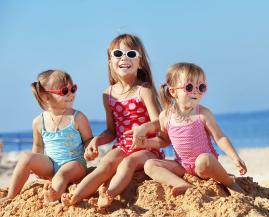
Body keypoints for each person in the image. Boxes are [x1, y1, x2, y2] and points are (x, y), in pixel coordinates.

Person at [61, 33, 163, 208]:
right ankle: (75, 196)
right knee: (106, 164)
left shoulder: (143, 90)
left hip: (147, 147)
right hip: (123, 146)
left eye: (131, 54)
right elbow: (112, 131)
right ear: (110, 62)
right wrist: (97, 140)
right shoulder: (108, 94)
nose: (124, 58)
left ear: (140, 62)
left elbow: (159, 122)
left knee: (128, 163)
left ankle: (109, 194)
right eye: (118, 54)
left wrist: (144, 128)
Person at [127, 62, 247, 196]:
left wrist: (234, 157)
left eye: (201, 87)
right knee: (150, 165)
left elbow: (219, 137)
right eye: (189, 87)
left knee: (205, 159)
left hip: (204, 166)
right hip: (182, 166)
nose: (196, 91)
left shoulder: (202, 114)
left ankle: (229, 183)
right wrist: (147, 143)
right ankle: (183, 184)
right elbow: (164, 141)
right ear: (173, 91)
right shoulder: (166, 116)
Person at [0, 70, 93, 204]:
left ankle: (53, 196)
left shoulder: (77, 117)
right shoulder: (39, 121)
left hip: (74, 164)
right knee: (26, 157)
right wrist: (35, 165)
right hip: (50, 164)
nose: (71, 94)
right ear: (46, 96)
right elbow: (38, 146)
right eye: (65, 91)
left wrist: (90, 149)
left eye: (73, 89)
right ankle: (11, 195)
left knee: (63, 174)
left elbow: (88, 140)